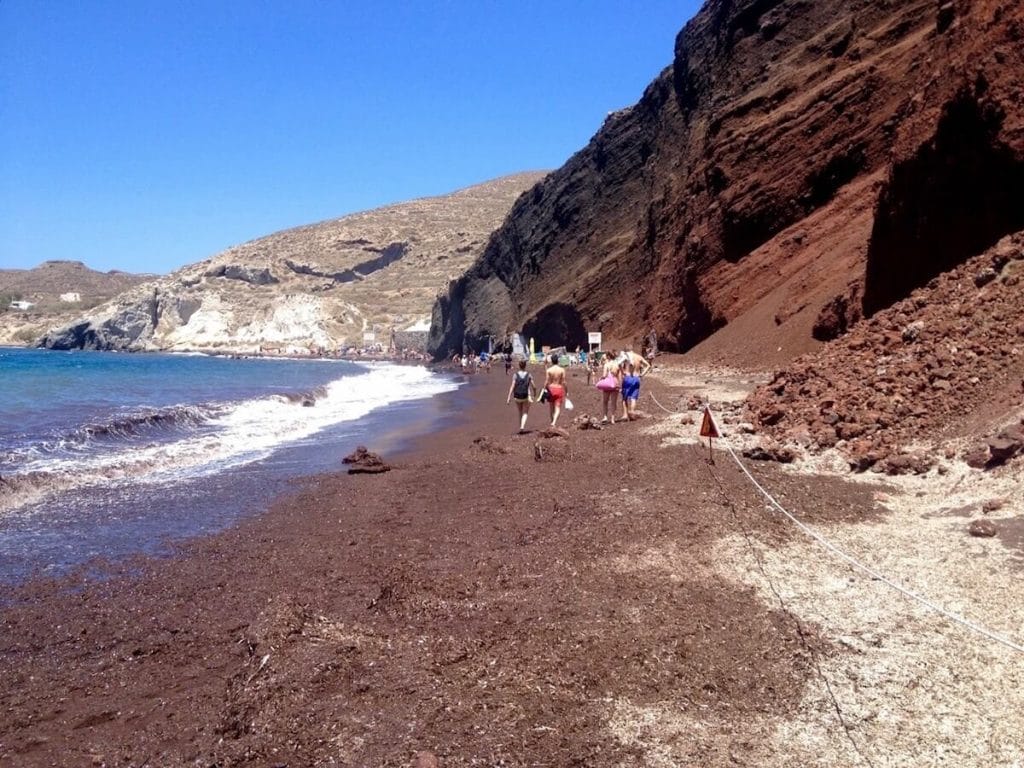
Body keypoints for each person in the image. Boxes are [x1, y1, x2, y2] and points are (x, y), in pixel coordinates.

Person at [507, 360, 536, 433]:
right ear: (525, 366)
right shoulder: (529, 374)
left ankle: (521, 427)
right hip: (525, 396)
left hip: (517, 396)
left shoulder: (515, 375)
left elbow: (512, 386)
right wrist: (535, 393)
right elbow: (534, 386)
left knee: (520, 411)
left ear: (519, 366)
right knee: (525, 412)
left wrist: (509, 397)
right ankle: (522, 427)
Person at [596, 351, 623, 424]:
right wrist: (620, 386)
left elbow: (604, 375)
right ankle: (612, 419)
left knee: (605, 401)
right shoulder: (618, 364)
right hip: (615, 383)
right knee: (613, 402)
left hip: (608, 384)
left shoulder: (606, 364)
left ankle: (605, 417)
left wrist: (601, 379)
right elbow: (620, 376)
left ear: (608, 356)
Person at [544, 352, 568, 428]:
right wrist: (567, 391)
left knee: (551, 408)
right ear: (558, 360)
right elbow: (564, 382)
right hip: (559, 388)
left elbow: (547, 381)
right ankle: (554, 422)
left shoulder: (549, 370)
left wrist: (544, 389)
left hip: (551, 388)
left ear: (552, 361)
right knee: (557, 408)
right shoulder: (562, 370)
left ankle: (552, 423)